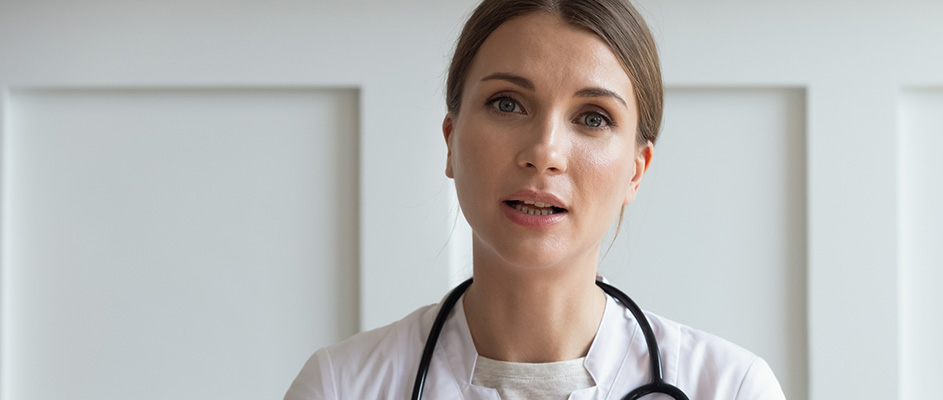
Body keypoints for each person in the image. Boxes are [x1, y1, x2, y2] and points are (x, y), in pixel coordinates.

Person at [285, 0, 786, 398]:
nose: (544, 152)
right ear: (451, 143)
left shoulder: (730, 388)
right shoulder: (339, 386)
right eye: (507, 104)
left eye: (593, 117)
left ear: (637, 171)